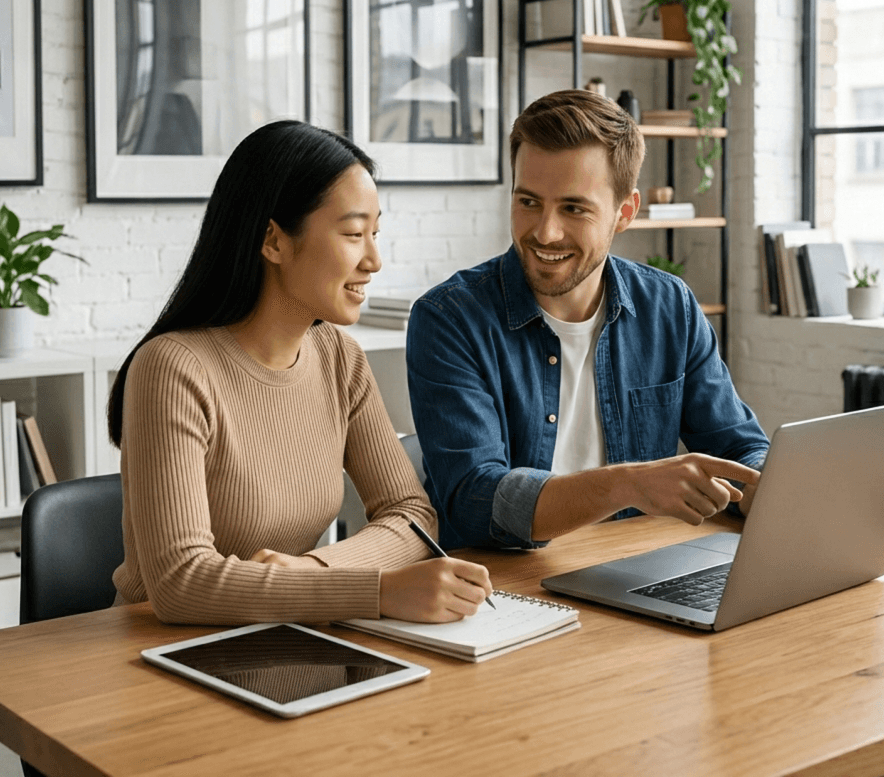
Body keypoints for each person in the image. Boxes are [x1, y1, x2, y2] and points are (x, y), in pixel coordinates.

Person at [109, 120, 491, 625]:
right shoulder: (173, 369)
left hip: (288, 637)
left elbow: (413, 515)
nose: (374, 260)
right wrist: (374, 592)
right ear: (273, 241)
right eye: (354, 234)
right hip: (156, 653)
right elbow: (181, 583)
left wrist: (314, 568)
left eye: (375, 234)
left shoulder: (339, 357)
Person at [406, 89, 769, 550]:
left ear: (625, 213)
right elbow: (475, 498)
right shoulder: (449, 319)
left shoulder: (668, 306)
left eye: (573, 208)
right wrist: (627, 485)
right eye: (528, 202)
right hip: (502, 590)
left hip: (629, 570)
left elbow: (738, 446)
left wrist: (764, 486)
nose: (545, 232)